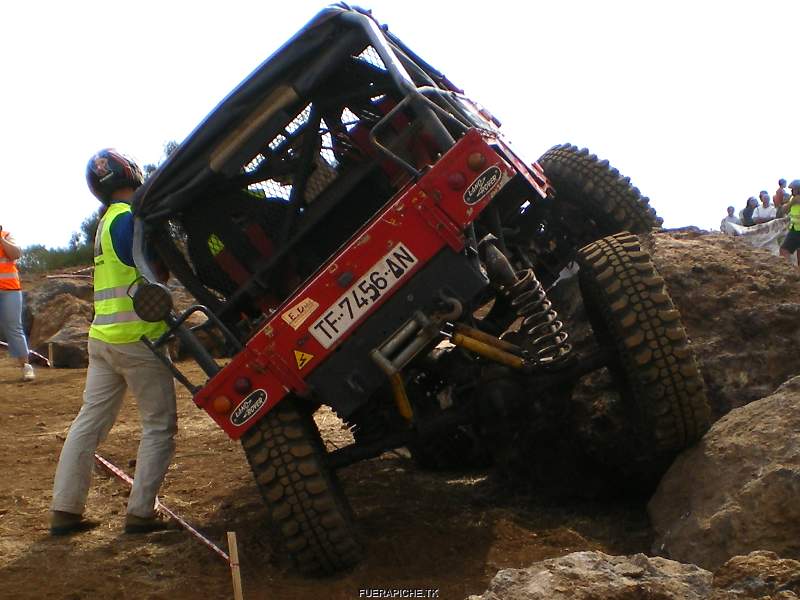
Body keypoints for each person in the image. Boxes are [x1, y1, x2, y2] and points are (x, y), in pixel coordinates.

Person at [50, 149, 177, 536]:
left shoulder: (105, 223)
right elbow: (151, 270)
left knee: (88, 424)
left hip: (102, 339)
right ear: (131, 173)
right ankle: (141, 514)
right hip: (140, 341)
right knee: (159, 426)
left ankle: (65, 510)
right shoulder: (129, 220)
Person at [0, 227, 35, 381]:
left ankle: (26, 367)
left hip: (10, 290)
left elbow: (16, 254)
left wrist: (1, 240)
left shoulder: (6, 235)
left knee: (14, 327)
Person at [780, 179, 800, 268]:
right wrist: (791, 202)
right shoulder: (793, 199)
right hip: (795, 228)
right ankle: (791, 271)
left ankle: (789, 270)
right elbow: (784, 210)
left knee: (784, 250)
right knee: (784, 250)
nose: (792, 191)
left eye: (793, 189)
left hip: (797, 230)